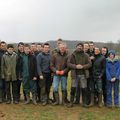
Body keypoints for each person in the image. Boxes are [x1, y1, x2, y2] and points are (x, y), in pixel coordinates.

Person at [67, 43, 91, 107]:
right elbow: (68, 64)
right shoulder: (72, 55)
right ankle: (71, 102)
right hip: (75, 75)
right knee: (73, 88)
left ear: (82, 47)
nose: (79, 47)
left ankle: (84, 103)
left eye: (81, 46)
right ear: (76, 47)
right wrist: (75, 66)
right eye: (78, 46)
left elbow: (89, 64)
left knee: (84, 89)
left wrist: (83, 66)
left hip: (83, 75)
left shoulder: (86, 55)